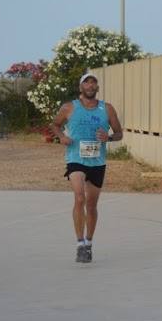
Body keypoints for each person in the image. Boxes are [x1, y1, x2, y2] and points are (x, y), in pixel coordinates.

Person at [50, 72, 123, 263]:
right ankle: (79, 243)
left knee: (91, 205)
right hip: (76, 158)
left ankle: (89, 243)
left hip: (97, 161)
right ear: (80, 87)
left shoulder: (106, 108)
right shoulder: (69, 107)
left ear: (97, 88)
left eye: (93, 83)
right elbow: (55, 125)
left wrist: (109, 138)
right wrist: (62, 137)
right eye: (86, 82)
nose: (90, 86)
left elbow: (119, 133)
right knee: (79, 197)